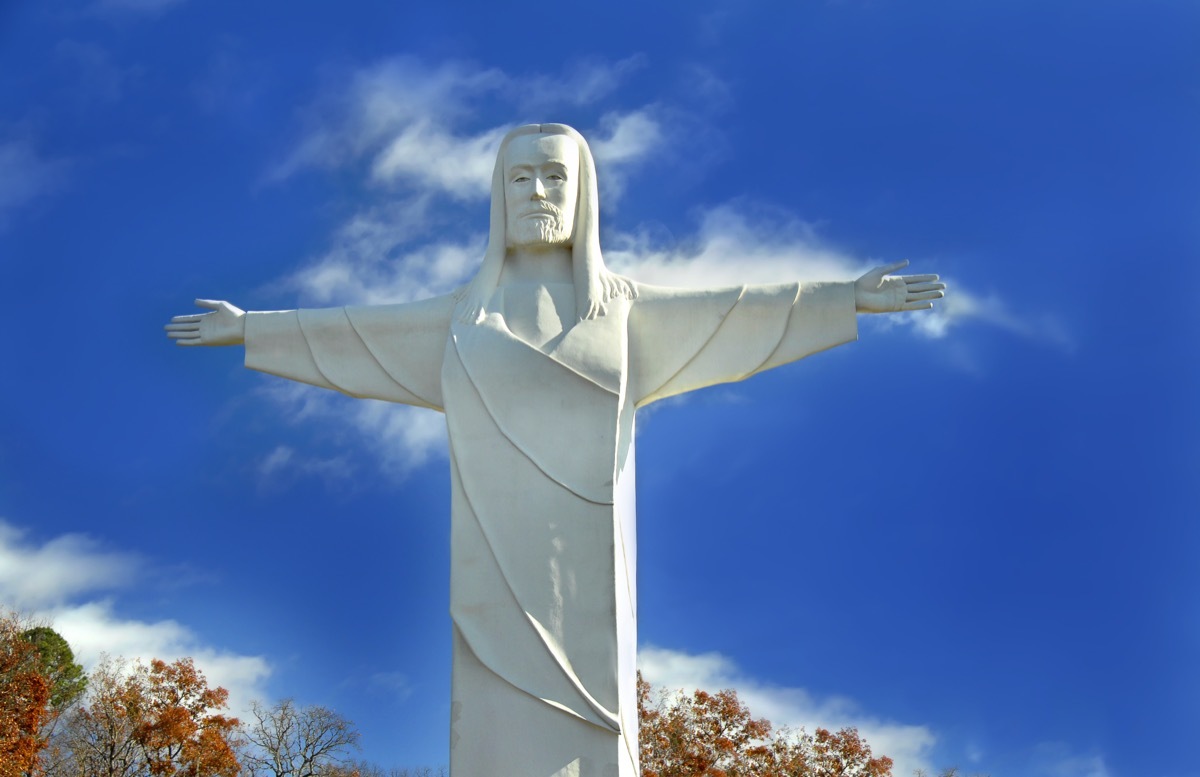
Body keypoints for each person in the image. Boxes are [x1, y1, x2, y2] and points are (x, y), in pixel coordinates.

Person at [166, 123, 944, 777]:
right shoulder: (459, 323)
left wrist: (849, 298)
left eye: (553, 178)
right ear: (497, 199)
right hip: (490, 578)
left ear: (583, 194)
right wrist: (252, 329)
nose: (537, 193)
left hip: (590, 582)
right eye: (519, 179)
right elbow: (357, 332)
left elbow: (738, 313)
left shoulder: (626, 312)